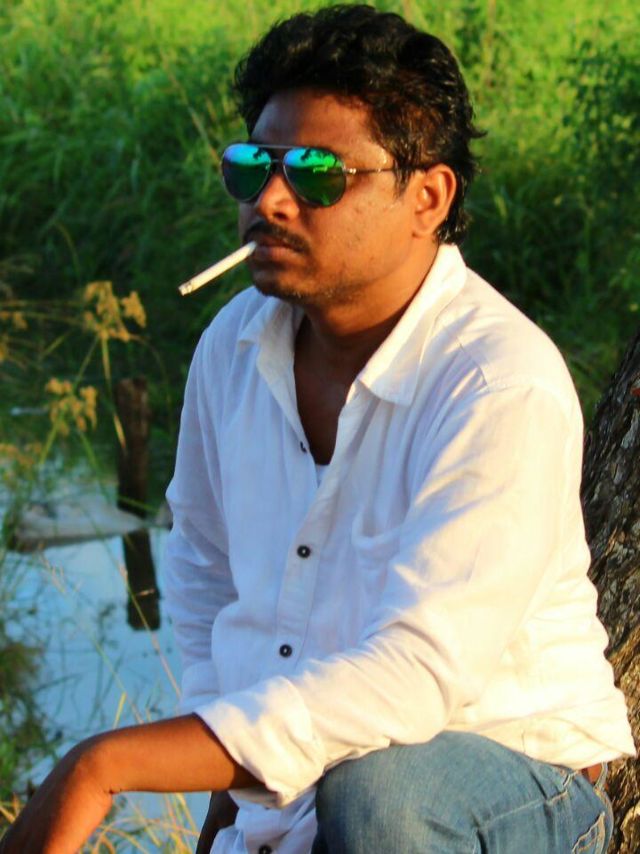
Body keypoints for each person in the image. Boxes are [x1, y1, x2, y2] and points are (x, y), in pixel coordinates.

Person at [1, 5, 635, 853]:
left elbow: (414, 676)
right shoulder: (233, 345)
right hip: (312, 784)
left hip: (503, 783)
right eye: (253, 166)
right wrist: (228, 783)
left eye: (317, 174)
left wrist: (106, 764)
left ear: (428, 197)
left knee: (382, 795)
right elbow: (202, 574)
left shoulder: (496, 383)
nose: (271, 200)